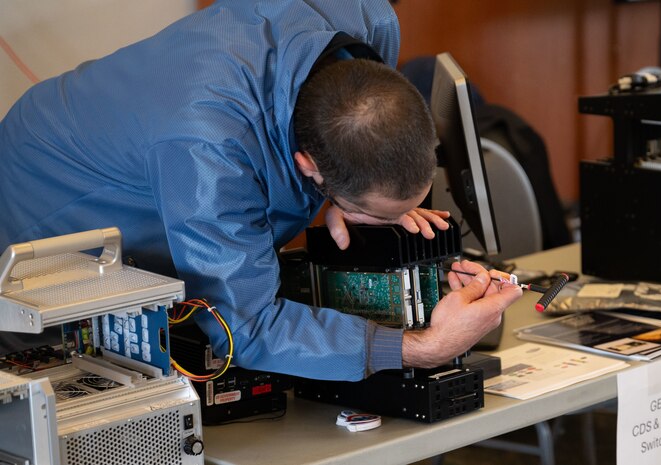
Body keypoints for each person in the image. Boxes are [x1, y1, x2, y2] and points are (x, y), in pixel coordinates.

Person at [0, 0, 522, 380]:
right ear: (309, 165)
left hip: (167, 138)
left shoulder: (365, 21)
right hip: (44, 205)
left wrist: (354, 202)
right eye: (379, 213)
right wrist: (423, 348)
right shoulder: (207, 148)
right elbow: (242, 327)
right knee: (73, 375)